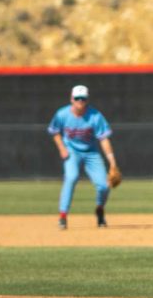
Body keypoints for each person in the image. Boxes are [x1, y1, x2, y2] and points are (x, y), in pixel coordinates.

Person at [48, 83, 118, 230]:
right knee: (71, 177)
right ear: (71, 99)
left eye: (83, 98)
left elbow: (104, 139)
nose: (80, 101)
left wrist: (112, 162)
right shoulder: (62, 114)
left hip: (91, 152)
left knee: (104, 186)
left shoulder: (95, 116)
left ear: (87, 100)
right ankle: (63, 215)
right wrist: (62, 148)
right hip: (72, 151)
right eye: (77, 98)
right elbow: (54, 131)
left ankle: (100, 209)